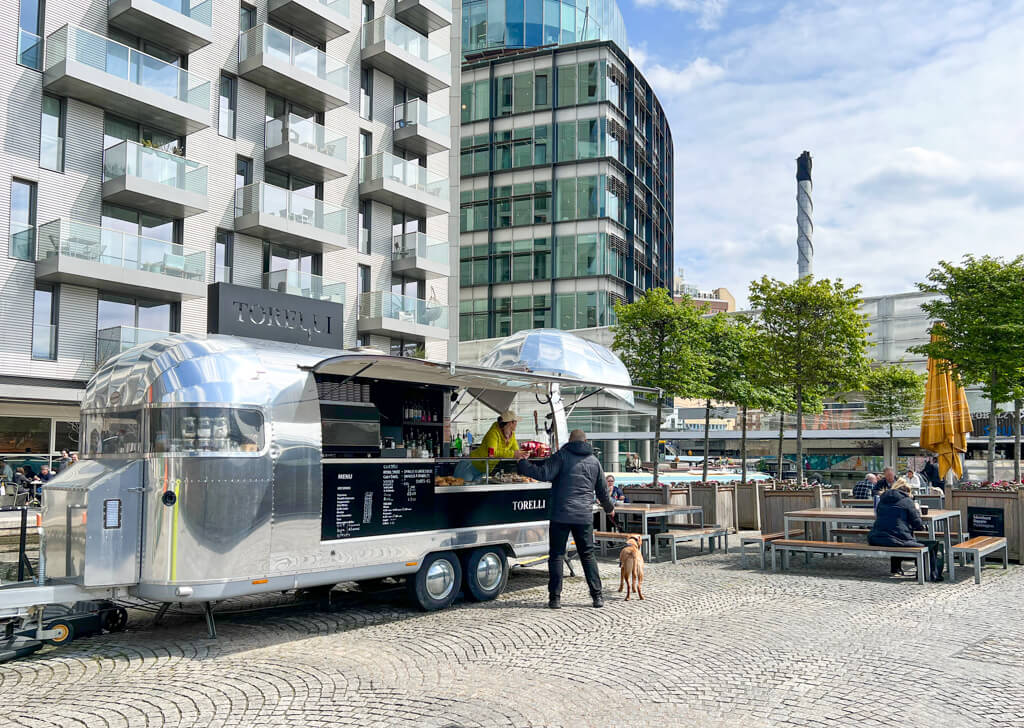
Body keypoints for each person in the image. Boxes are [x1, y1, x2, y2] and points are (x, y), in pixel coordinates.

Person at [516, 429, 613, 609]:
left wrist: (522, 463)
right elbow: (602, 492)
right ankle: (597, 597)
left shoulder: (562, 456)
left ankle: (555, 599)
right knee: (588, 555)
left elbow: (543, 474)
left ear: (570, 440)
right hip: (583, 516)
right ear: (586, 441)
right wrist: (609, 509)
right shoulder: (594, 461)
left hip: (560, 514)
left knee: (557, 555)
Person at [868, 478, 943, 581]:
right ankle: (931, 574)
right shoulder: (907, 501)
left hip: (875, 538)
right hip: (895, 539)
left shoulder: (882, 500)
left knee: (896, 534)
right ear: (907, 492)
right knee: (932, 545)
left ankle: (896, 568)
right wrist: (916, 509)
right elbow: (918, 525)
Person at [453, 411, 520, 482]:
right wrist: (513, 454)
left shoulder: (511, 435)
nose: (517, 424)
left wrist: (522, 454)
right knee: (461, 489)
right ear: (510, 423)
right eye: (515, 421)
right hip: (470, 465)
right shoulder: (493, 433)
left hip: (484, 469)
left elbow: (516, 451)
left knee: (475, 492)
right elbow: (492, 453)